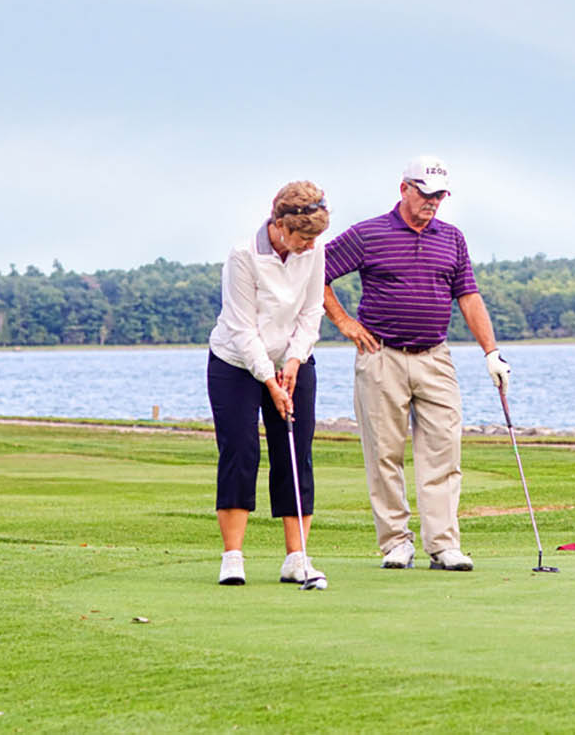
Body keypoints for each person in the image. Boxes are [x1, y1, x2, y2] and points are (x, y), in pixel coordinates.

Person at [323, 156, 510, 572]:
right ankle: (395, 542)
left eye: (440, 195)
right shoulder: (368, 233)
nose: (433, 202)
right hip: (380, 356)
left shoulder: (452, 238)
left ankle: (444, 546)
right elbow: (315, 271)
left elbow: (468, 296)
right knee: (384, 453)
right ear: (404, 188)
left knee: (444, 451)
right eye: (425, 193)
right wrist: (345, 323)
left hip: (435, 356)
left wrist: (491, 352)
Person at [206, 181, 332, 588]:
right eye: (303, 236)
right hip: (235, 363)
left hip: (291, 359)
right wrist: (270, 381)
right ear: (279, 224)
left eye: (316, 237)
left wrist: (294, 361)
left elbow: (312, 311)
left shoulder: (314, 251)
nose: (310, 245)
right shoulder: (244, 255)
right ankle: (233, 558)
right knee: (240, 451)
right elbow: (243, 330)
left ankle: (297, 558)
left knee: (295, 453)